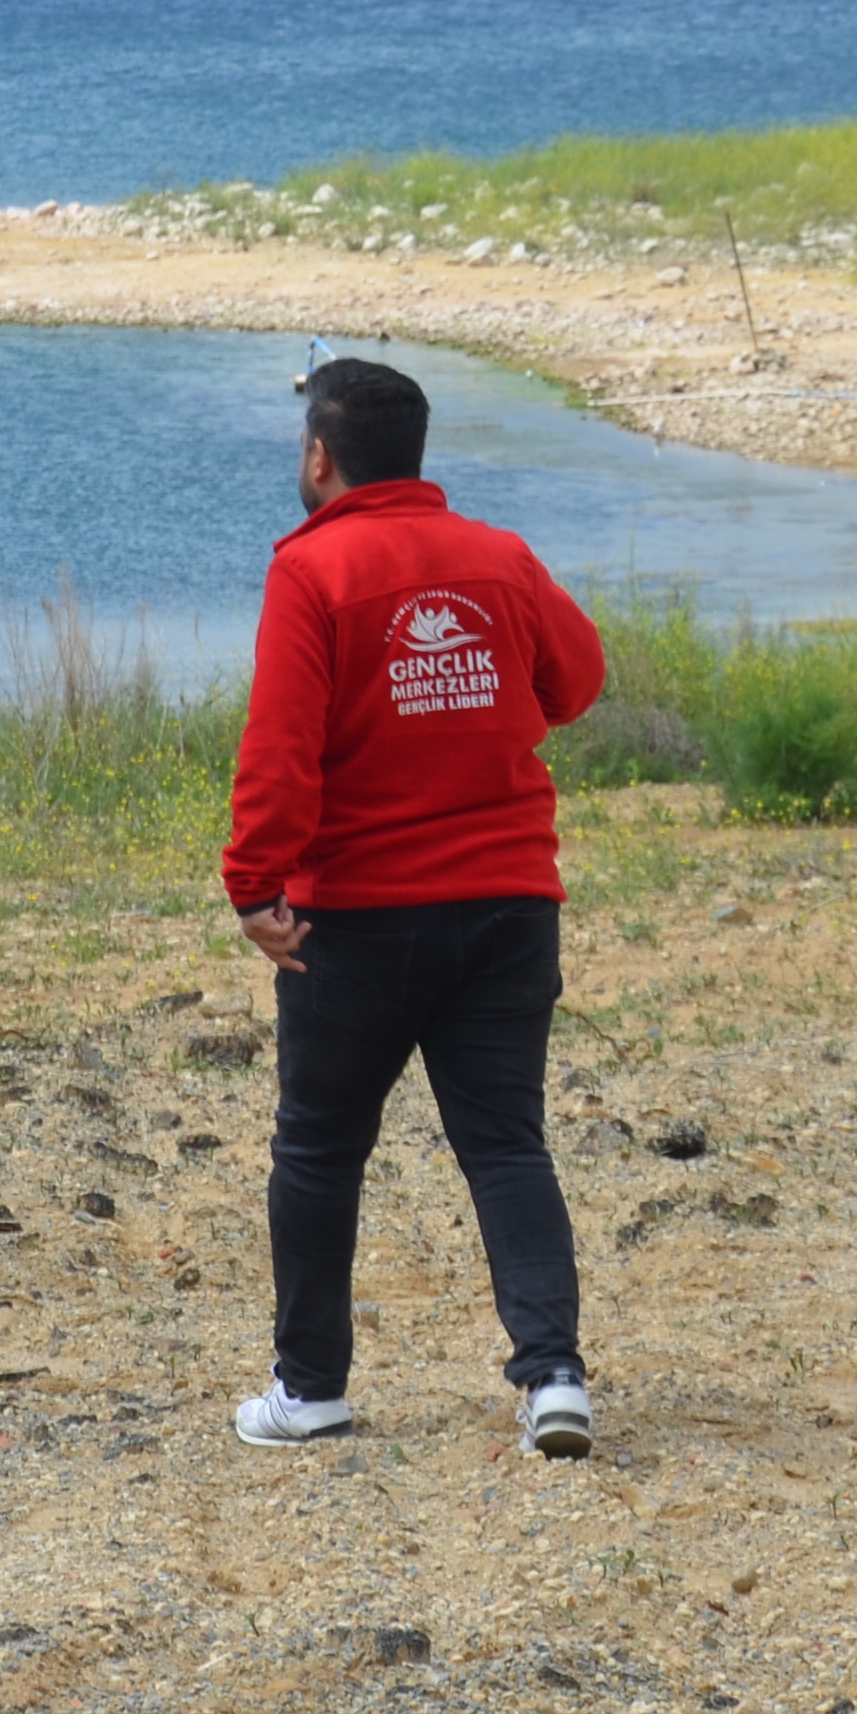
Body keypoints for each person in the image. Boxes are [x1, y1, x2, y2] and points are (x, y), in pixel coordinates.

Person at [222, 355, 609, 1462]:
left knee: (315, 1150)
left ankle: (309, 1390)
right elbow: (573, 685)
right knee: (503, 1146)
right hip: (505, 905)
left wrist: (254, 882)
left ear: (318, 455)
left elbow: (280, 747)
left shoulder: (309, 570)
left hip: (360, 918)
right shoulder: (498, 558)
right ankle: (552, 1380)